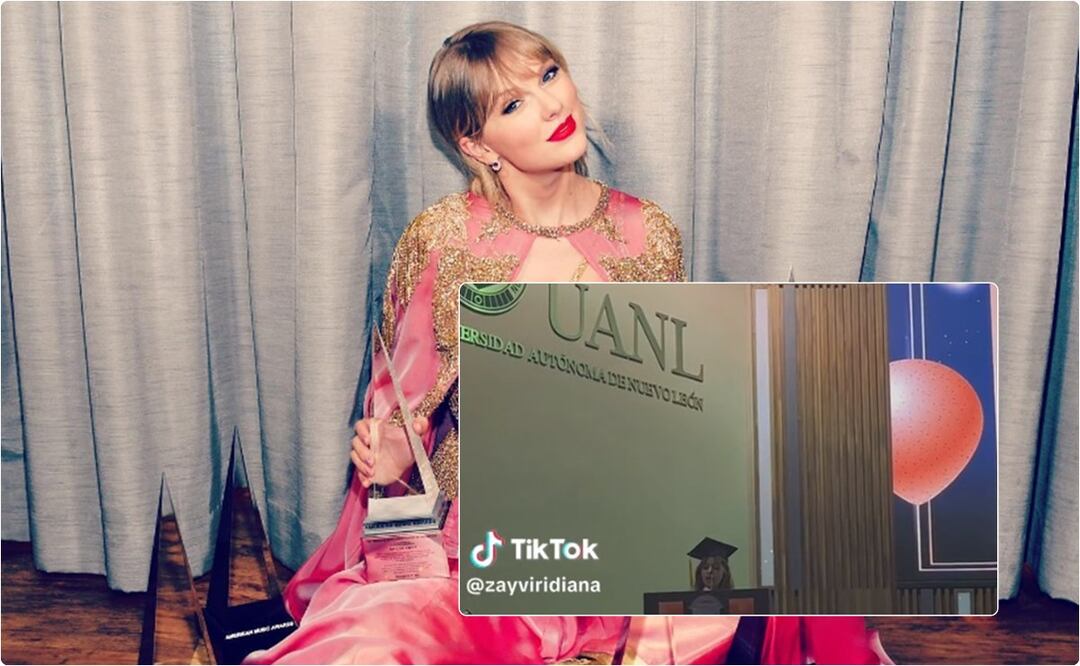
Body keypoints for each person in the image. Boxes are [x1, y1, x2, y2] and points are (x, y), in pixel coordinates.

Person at [245, 21, 891, 664]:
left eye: (549, 74)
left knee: (802, 499)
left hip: (630, 525)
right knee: (376, 641)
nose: (552, 104)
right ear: (477, 144)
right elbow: (401, 415)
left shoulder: (648, 232)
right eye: (513, 104)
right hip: (490, 544)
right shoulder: (442, 241)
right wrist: (393, 459)